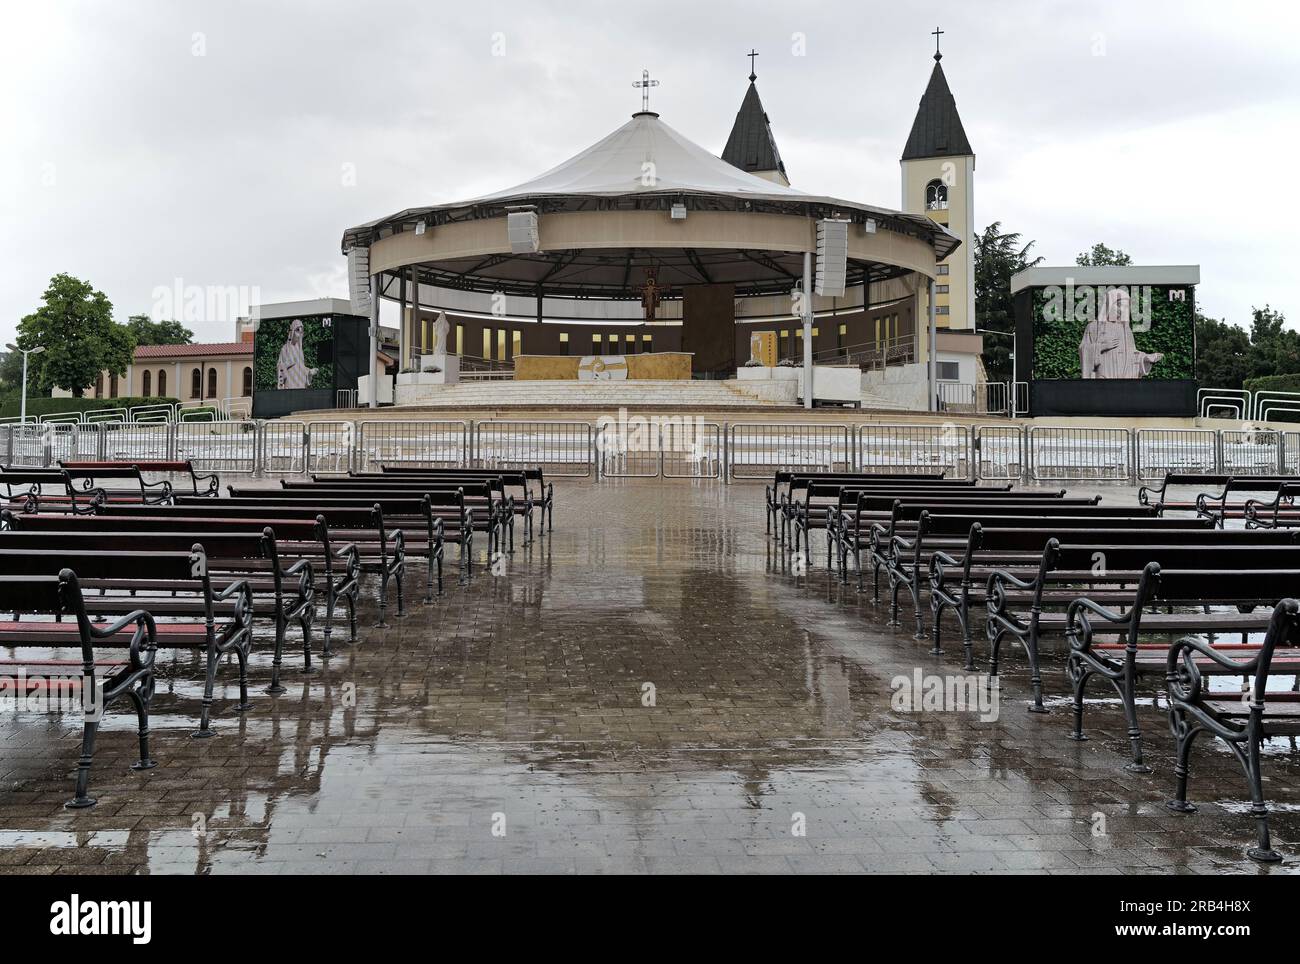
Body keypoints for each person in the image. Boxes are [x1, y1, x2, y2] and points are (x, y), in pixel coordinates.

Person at [1079, 287, 1163, 379]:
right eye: (1119, 305)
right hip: (1103, 376)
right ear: (1109, 304)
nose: (1121, 310)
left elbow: (1132, 355)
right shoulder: (1094, 327)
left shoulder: (1126, 331)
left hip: (1124, 378)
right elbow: (1084, 350)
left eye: (1125, 307)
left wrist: (1145, 358)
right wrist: (1102, 346)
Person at [276, 318, 318, 389]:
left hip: (301, 386)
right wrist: (287, 364)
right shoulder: (285, 349)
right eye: (298, 330)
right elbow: (279, 366)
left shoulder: (300, 351)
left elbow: (302, 368)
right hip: (290, 386)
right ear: (292, 331)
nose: (300, 333)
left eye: (301, 331)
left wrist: (309, 372)